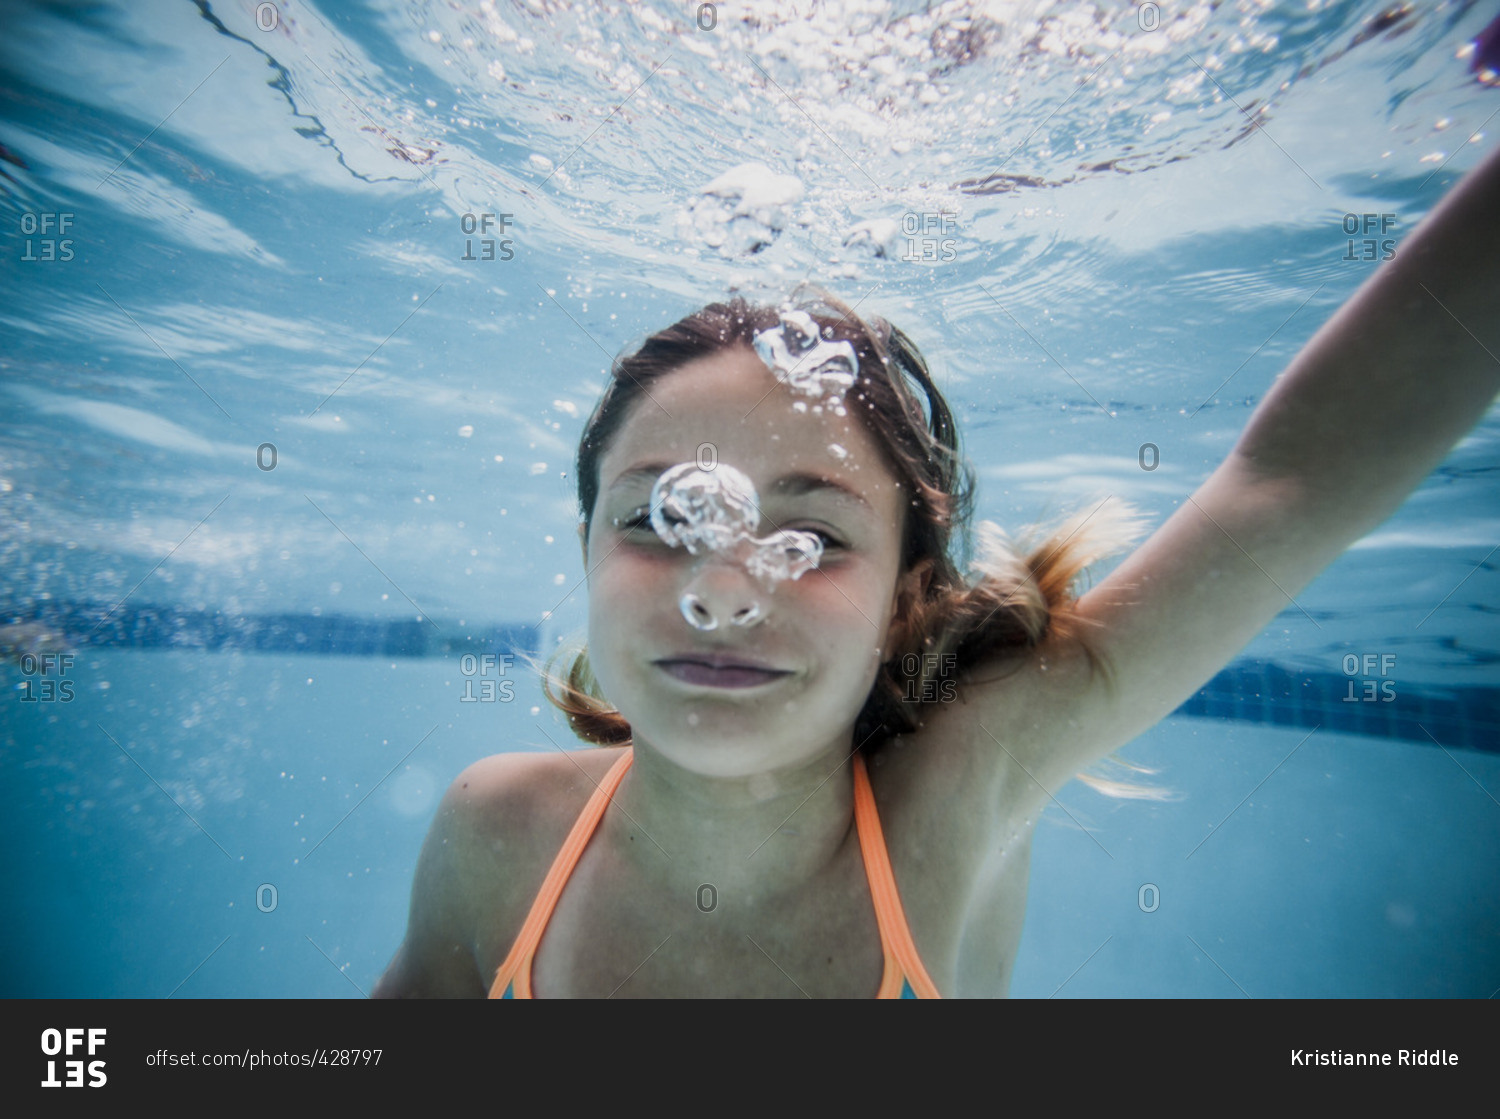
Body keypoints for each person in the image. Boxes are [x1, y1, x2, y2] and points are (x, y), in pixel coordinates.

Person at [374, 145, 1499, 998]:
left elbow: (1286, 483)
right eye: (660, 522)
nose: (720, 590)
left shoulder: (957, 803)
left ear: (903, 595)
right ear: (583, 551)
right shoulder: (495, 835)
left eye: (810, 541)